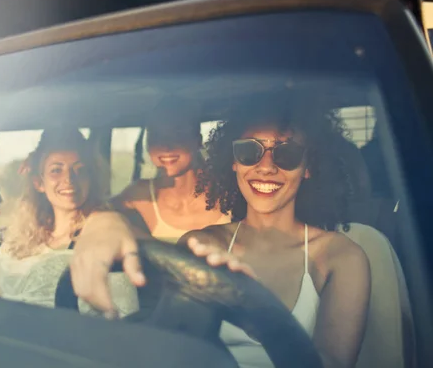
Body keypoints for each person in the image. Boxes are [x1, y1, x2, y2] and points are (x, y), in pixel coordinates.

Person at [71, 108, 371, 368]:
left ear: (308, 168)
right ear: (233, 161)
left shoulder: (341, 257)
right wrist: (105, 220)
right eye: (249, 152)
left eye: (287, 153)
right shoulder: (202, 244)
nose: (266, 166)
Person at [0, 128, 139, 318]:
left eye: (79, 170)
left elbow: (122, 322)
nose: (69, 179)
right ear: (39, 183)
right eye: (56, 170)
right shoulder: (17, 238)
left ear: (90, 180)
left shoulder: (100, 238)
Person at [113, 97, 230, 243]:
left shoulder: (227, 193)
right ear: (148, 144)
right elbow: (97, 214)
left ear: (198, 141)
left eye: (177, 134)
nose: (166, 146)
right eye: (156, 135)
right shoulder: (139, 196)